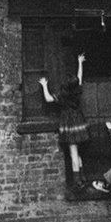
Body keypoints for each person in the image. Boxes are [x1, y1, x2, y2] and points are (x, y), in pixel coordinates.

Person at [39, 53, 89, 189]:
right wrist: (80, 62)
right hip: (78, 121)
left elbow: (49, 99)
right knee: (77, 151)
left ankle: (77, 182)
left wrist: (44, 85)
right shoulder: (77, 90)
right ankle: (82, 177)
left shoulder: (63, 95)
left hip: (68, 123)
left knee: (73, 152)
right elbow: (79, 77)